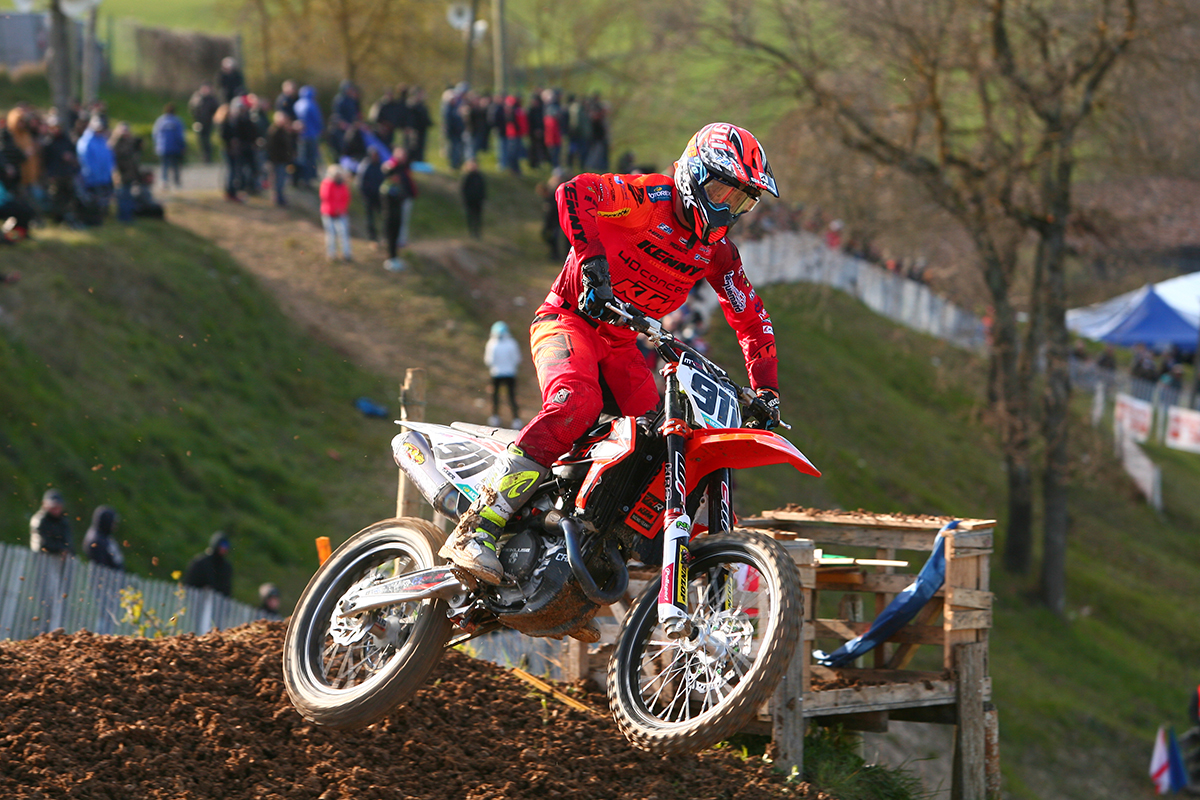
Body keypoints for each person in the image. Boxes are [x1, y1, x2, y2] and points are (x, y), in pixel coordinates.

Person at [440, 122, 782, 584]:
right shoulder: (648, 198)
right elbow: (573, 193)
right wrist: (593, 263)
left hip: (621, 344)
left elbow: (752, 318)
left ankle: (595, 543)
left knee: (662, 446)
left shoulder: (717, 251)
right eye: (723, 192)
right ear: (695, 175)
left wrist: (766, 390)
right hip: (568, 320)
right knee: (577, 403)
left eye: (741, 201)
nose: (728, 209)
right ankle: (478, 525)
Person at [381, 147, 417, 271]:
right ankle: (391, 258)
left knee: (396, 235)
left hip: (396, 215)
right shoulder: (388, 188)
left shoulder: (396, 186)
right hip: (391, 216)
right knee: (391, 237)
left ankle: (395, 256)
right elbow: (391, 202)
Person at [485, 320, 522, 428]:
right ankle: (516, 419)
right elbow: (517, 359)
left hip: (496, 373)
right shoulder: (512, 343)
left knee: (495, 396)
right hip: (510, 373)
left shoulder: (491, 344)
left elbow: (489, 360)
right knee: (511, 396)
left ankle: (495, 417)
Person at [318, 164, 353, 262]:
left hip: (341, 213)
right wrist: (335, 209)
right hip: (328, 213)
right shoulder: (327, 184)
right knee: (331, 234)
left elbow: (346, 198)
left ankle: (346, 254)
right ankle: (331, 254)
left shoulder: (343, 185)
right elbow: (326, 197)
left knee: (344, 233)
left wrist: (340, 209)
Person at [182, 531, 233, 597]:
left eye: (226, 546)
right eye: (222, 545)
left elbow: (226, 590)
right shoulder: (200, 563)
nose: (224, 548)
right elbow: (189, 584)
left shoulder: (226, 567)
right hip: (197, 598)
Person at [293, 86, 324, 188]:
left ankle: (299, 178)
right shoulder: (312, 105)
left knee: (301, 158)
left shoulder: (297, 104)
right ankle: (308, 180)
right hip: (311, 136)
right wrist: (320, 130)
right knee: (311, 159)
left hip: (300, 136)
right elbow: (317, 120)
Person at [265, 110, 297, 207]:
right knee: (278, 180)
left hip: (283, 160)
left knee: (282, 180)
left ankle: (280, 197)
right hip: (277, 160)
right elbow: (271, 148)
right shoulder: (274, 131)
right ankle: (278, 199)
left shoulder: (283, 131)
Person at [152, 103, 186, 189]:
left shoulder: (160, 121)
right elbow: (180, 136)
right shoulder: (177, 121)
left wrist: (157, 145)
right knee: (176, 166)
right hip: (175, 148)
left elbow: (155, 134)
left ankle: (164, 181)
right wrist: (182, 146)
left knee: (164, 165)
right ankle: (176, 182)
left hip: (163, 148)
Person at [30, 488, 73, 556]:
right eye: (53, 507)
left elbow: (69, 543)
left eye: (58, 507)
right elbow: (43, 544)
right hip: (41, 557)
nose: (56, 510)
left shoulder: (63, 521)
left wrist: (65, 550)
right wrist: (61, 549)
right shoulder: (40, 520)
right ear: (44, 505)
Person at [356, 145, 385, 243]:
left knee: (383, 216)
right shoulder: (365, 166)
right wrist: (365, 194)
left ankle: (384, 236)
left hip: (379, 196)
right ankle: (372, 237)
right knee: (370, 217)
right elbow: (360, 183)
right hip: (368, 196)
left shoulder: (380, 165)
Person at [82, 505, 124, 571]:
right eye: (113, 522)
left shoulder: (105, 537)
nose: (114, 526)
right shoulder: (97, 540)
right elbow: (101, 566)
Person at [188, 83, 220, 164]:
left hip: (208, 123)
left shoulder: (212, 99)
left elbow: (216, 109)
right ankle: (204, 156)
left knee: (207, 139)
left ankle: (208, 157)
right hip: (199, 122)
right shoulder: (197, 98)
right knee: (201, 140)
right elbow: (192, 108)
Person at [460, 158, 485, 239]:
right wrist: (465, 198)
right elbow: (464, 189)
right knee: (470, 216)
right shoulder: (467, 177)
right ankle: (471, 232)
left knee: (477, 217)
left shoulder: (479, 176)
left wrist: (482, 198)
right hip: (470, 200)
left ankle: (477, 232)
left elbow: (483, 188)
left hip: (478, 200)